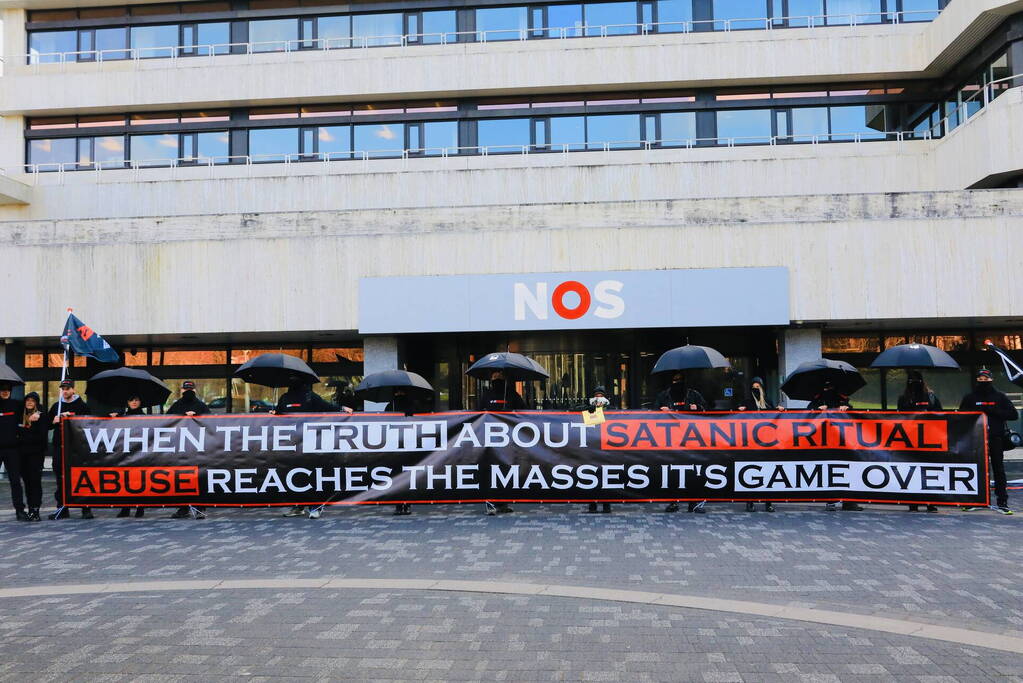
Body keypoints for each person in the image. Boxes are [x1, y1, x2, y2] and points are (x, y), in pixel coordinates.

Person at [273, 380, 347, 519]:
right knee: (296, 475)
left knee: (309, 475)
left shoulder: (309, 397)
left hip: (308, 443)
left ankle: (315, 506)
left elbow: (328, 407)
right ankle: (299, 506)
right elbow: (279, 414)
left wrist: (341, 409)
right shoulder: (287, 398)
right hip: (293, 444)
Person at [960, 369, 1018, 515]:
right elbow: (961, 416)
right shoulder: (970, 397)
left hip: (996, 438)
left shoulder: (1000, 396)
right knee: (977, 469)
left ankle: (1002, 502)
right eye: (980, 379)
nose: (983, 381)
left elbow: (1013, 415)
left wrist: (994, 410)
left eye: (986, 379)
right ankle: (976, 500)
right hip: (976, 439)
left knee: (998, 469)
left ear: (991, 379)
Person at [656, 373, 708, 514]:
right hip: (672, 439)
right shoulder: (664, 395)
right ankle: (674, 502)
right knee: (674, 471)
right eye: (674, 380)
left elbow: (706, 408)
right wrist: (662, 411)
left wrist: (697, 407)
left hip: (692, 439)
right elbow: (653, 414)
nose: (677, 383)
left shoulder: (694, 394)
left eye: (680, 380)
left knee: (693, 471)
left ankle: (693, 503)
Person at [810, 382, 862, 512]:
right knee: (828, 470)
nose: (828, 390)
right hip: (824, 441)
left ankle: (849, 502)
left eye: (831, 387)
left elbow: (853, 414)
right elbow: (808, 414)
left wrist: (846, 408)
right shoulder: (817, 400)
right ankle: (830, 501)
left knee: (847, 469)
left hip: (843, 441)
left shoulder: (842, 399)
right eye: (826, 387)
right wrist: (817, 408)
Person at [47, 379, 92, 520]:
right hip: (59, 447)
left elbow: (89, 423)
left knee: (80, 476)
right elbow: (47, 425)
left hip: (76, 447)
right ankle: (62, 507)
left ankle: (86, 508)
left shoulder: (82, 406)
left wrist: (73, 418)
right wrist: (53, 421)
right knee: (60, 477)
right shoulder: (56, 406)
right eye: (63, 388)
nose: (65, 391)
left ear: (73, 389)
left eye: (67, 388)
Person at [736, 377, 783, 512]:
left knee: (768, 471)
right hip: (751, 442)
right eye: (753, 387)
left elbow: (774, 417)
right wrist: (739, 410)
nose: (755, 389)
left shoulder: (767, 402)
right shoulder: (747, 401)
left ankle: (768, 502)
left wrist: (778, 410)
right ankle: (750, 501)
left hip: (766, 443)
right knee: (751, 472)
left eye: (758, 387)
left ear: (762, 388)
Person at [478, 370, 521, 515]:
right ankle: (491, 502)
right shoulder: (487, 395)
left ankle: (502, 503)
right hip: (490, 439)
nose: (496, 378)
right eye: (494, 376)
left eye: (499, 376)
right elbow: (478, 413)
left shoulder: (511, 394)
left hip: (507, 438)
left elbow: (524, 411)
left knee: (504, 471)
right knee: (491, 470)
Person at [898, 371, 942, 513]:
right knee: (912, 471)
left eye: (917, 380)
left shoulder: (931, 397)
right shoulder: (904, 398)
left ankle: (931, 502)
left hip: (929, 439)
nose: (914, 383)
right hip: (910, 439)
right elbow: (899, 417)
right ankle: (913, 502)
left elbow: (941, 414)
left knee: (929, 470)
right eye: (911, 381)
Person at [167, 381, 210, 520]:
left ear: (194, 391)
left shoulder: (201, 406)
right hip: (180, 448)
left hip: (197, 449)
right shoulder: (177, 405)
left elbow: (211, 422)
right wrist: (182, 415)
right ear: (181, 391)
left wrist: (197, 416)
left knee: (199, 478)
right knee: (181, 477)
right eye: (186, 390)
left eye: (190, 389)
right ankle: (183, 508)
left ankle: (200, 508)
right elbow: (166, 421)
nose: (187, 392)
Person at [110, 395, 146, 519]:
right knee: (126, 479)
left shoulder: (146, 418)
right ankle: (125, 508)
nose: (134, 402)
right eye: (131, 400)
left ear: (140, 402)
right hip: (126, 453)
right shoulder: (122, 416)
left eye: (136, 400)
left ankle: (140, 508)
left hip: (141, 452)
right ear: (127, 402)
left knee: (140, 480)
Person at [577, 386, 612, 514]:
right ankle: (592, 505)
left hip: (606, 448)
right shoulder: (588, 408)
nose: (598, 399)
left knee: (606, 478)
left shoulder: (611, 410)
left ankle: (606, 505)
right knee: (591, 477)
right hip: (592, 447)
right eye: (596, 396)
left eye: (601, 396)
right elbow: (575, 411)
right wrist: (591, 408)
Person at [16, 392, 47, 522]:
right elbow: (16, 433)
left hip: (36, 455)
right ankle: (30, 509)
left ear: (36, 402)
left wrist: (25, 433)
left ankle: (36, 510)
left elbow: (41, 436)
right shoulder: (20, 415)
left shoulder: (41, 416)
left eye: (32, 401)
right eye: (27, 400)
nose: (29, 402)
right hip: (22, 456)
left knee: (35, 482)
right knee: (27, 483)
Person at [387, 388, 417, 516]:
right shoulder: (391, 405)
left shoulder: (391, 405)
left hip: (402, 445)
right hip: (402, 445)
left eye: (401, 391)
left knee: (402, 475)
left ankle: (404, 504)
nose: (399, 394)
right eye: (397, 392)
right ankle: (401, 504)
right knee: (402, 475)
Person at [0, 383, 25, 520]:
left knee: (15, 481)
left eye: (8, 390)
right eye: (3, 390)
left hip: (12, 449)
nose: (5, 392)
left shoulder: (17, 405)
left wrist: (36, 415)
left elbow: (32, 409)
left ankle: (20, 510)